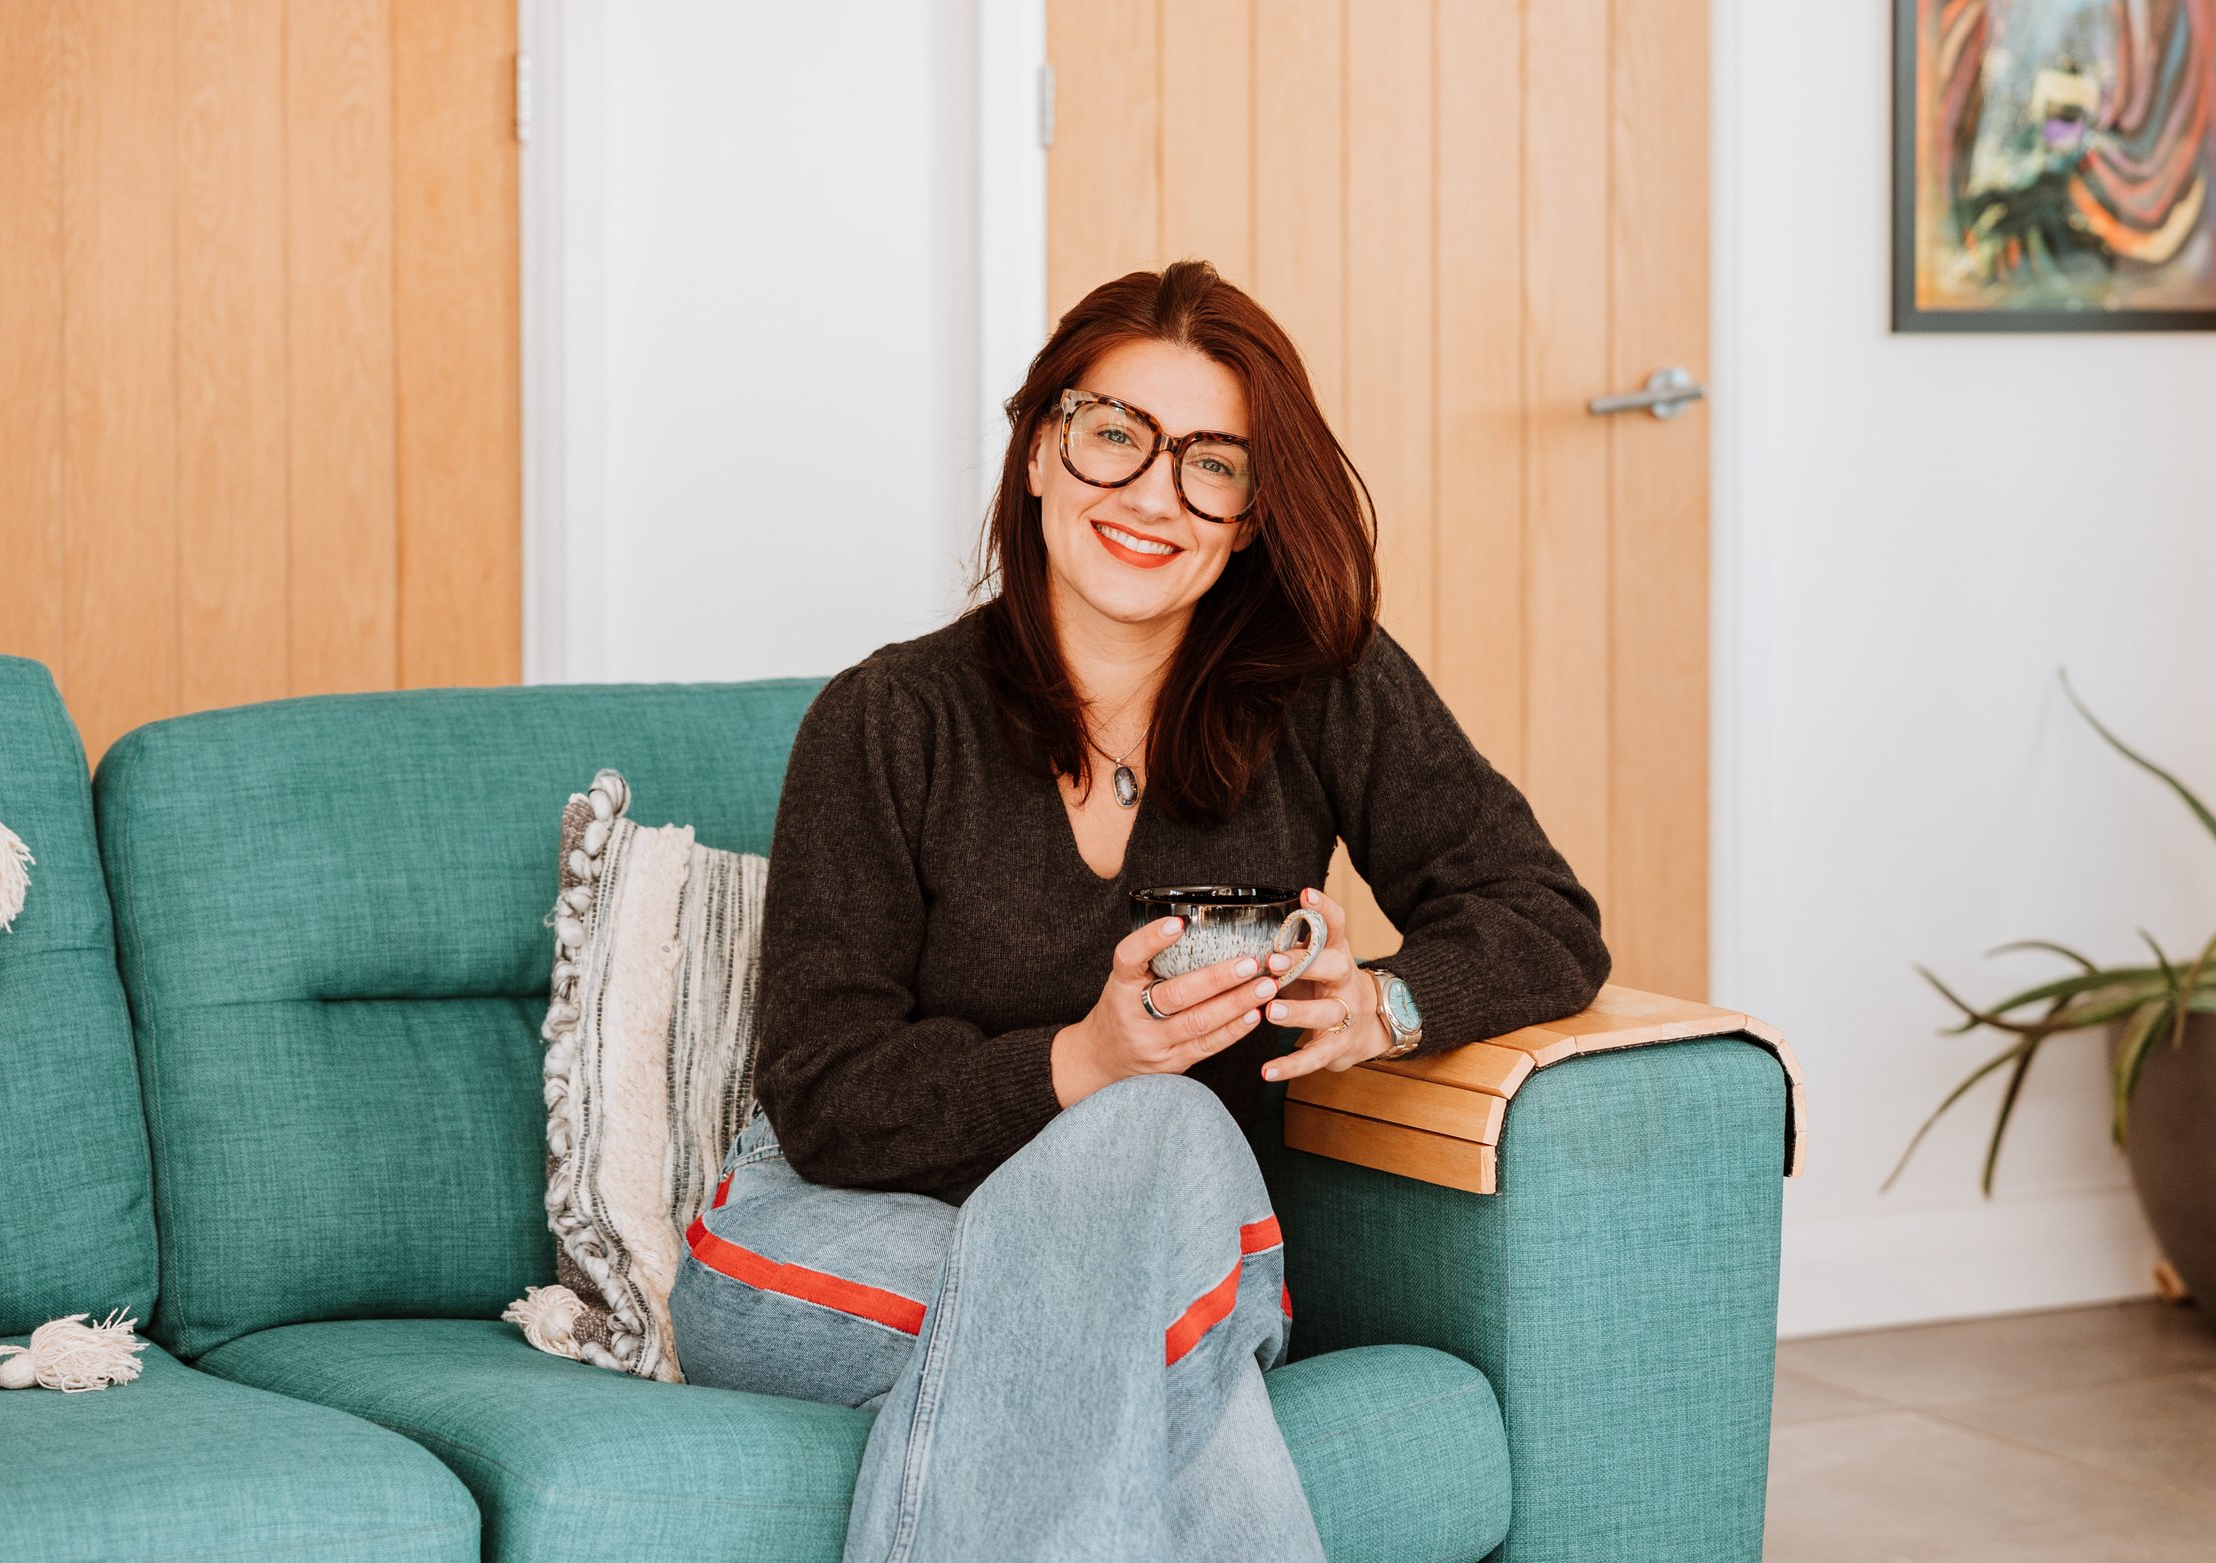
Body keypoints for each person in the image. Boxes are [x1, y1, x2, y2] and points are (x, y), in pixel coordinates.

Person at [668, 259, 1609, 1563]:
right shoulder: (888, 721)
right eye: (1115, 435)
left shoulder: (1323, 693)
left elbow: (1542, 915)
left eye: (1210, 465)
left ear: (1249, 517)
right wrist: (1086, 1062)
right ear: (1044, 450)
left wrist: (1378, 1008)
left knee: (1158, 1138)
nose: (1152, 495)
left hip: (1176, 1222)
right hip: (825, 1233)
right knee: (1154, 1214)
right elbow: (827, 1091)